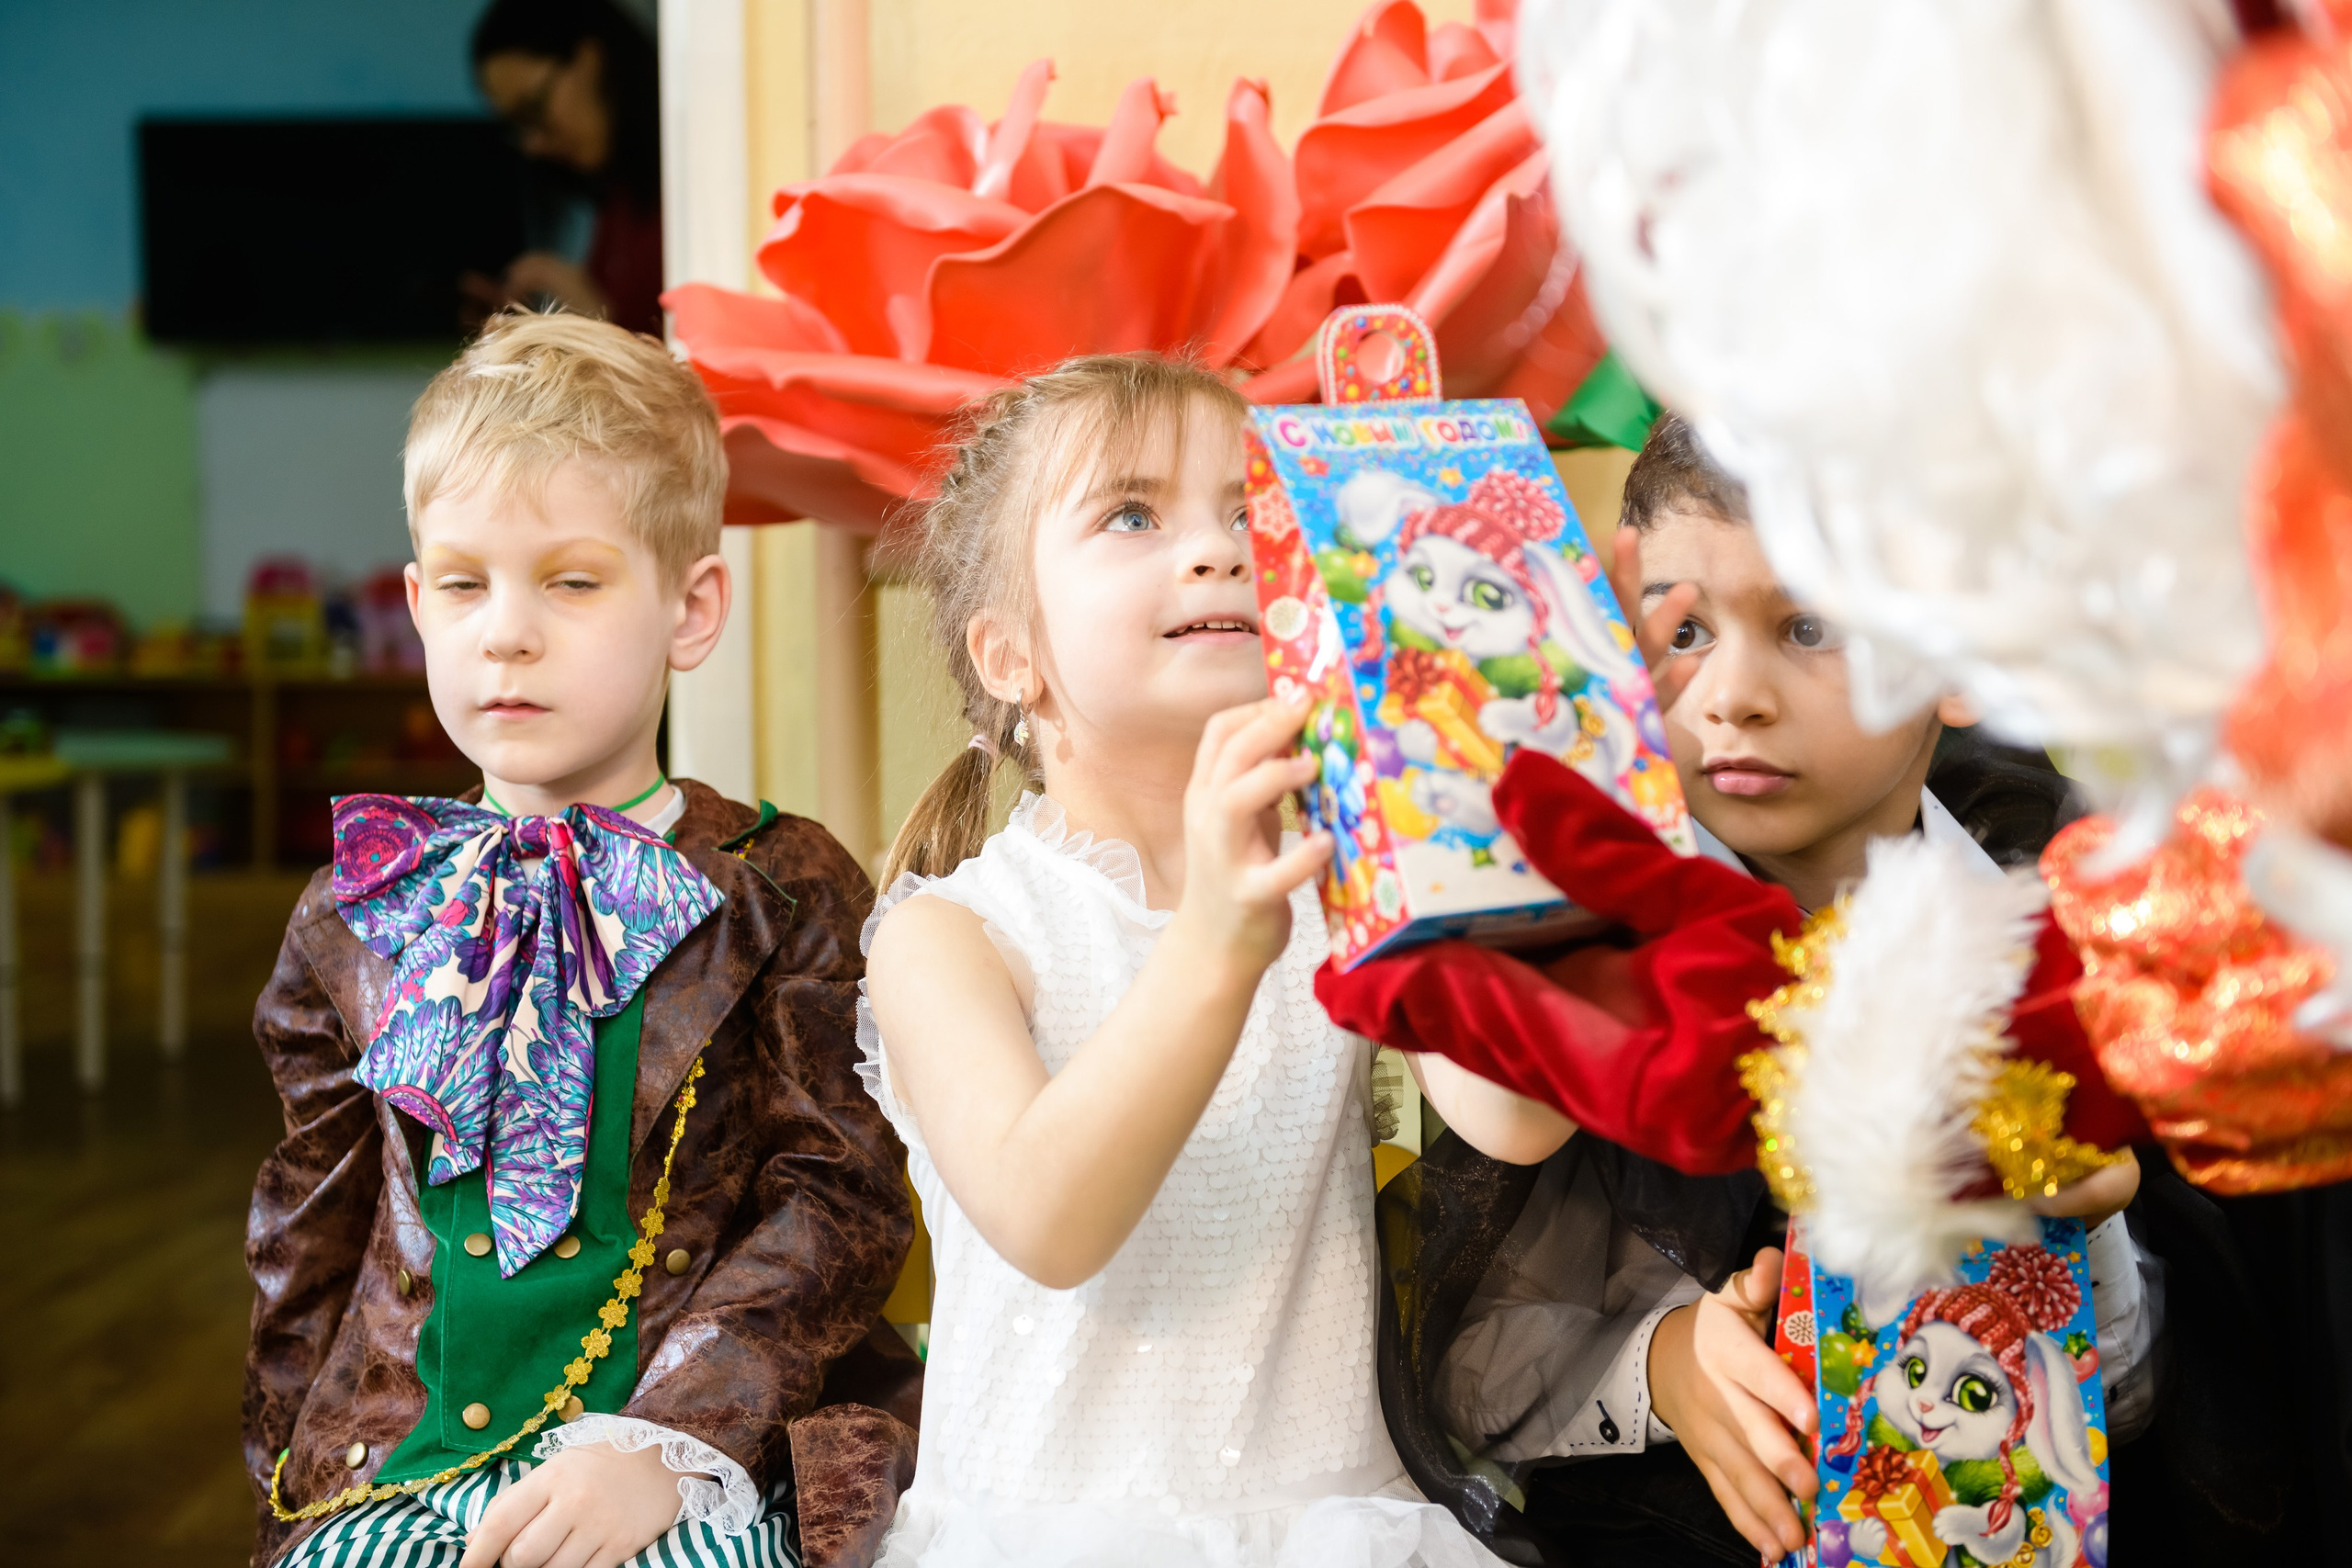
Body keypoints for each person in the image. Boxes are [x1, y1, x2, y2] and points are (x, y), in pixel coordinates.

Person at [1334, 414, 2176, 1564]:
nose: (1730, 695)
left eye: (1809, 627)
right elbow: (1454, 1365)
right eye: (1682, 631)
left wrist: (2096, 1214)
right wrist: (1660, 1362)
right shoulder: (1581, 947)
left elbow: (2131, 1400)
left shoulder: (2050, 933)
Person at [856, 352, 1585, 1567]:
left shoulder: (1343, 882)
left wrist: (1451, 803)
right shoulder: (954, 934)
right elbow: (1049, 1214)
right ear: (1008, 656)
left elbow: (1515, 1115)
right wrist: (1213, 945)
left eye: (1251, 507)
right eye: (1132, 514)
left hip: (1342, 1523)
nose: (1219, 546)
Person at [242, 310, 917, 1568]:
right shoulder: (354, 908)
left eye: (571, 577)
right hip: (397, 1462)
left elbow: (836, 1203)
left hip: (686, 1463)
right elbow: (309, 1222)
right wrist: (291, 1475)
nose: (507, 628)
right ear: (416, 605)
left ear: (690, 606)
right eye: (463, 581)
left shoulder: (792, 888)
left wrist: (663, 1444)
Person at [469, 0, 664, 334]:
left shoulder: (686, 192)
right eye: (516, 127)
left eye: (534, 108)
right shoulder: (620, 204)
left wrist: (585, 308)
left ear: (590, 60)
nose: (532, 144)